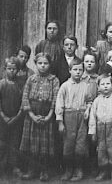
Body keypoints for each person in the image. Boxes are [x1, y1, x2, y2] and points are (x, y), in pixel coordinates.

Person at [19, 53, 59, 181]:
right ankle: (32, 170)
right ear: (36, 64)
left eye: (45, 63)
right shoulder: (31, 79)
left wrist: (48, 116)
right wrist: (31, 115)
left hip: (47, 114)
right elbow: (25, 97)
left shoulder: (54, 80)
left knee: (45, 145)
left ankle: (44, 170)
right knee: (32, 144)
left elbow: (55, 99)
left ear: (49, 65)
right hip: (32, 115)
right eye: (40, 63)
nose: (43, 66)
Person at [55, 58, 88, 181]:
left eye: (80, 70)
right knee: (68, 144)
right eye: (75, 69)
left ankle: (78, 169)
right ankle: (68, 169)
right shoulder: (64, 86)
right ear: (70, 70)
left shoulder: (86, 85)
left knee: (80, 144)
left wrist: (88, 110)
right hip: (68, 117)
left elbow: (90, 100)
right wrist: (60, 122)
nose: (78, 72)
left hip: (82, 117)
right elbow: (59, 104)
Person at [88, 74, 112, 182]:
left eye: (108, 83)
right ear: (98, 87)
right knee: (101, 151)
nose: (105, 86)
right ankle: (103, 171)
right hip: (100, 129)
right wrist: (93, 132)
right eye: (102, 84)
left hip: (111, 128)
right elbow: (92, 117)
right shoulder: (96, 101)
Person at [0, 57, 23, 176]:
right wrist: (3, 116)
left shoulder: (20, 85)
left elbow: (23, 103)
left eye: (14, 69)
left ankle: (14, 166)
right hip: (2, 120)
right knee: (2, 143)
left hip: (16, 120)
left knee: (15, 143)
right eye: (9, 69)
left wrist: (17, 116)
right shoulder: (1, 84)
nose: (12, 71)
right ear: (5, 69)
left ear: (18, 70)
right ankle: (2, 167)